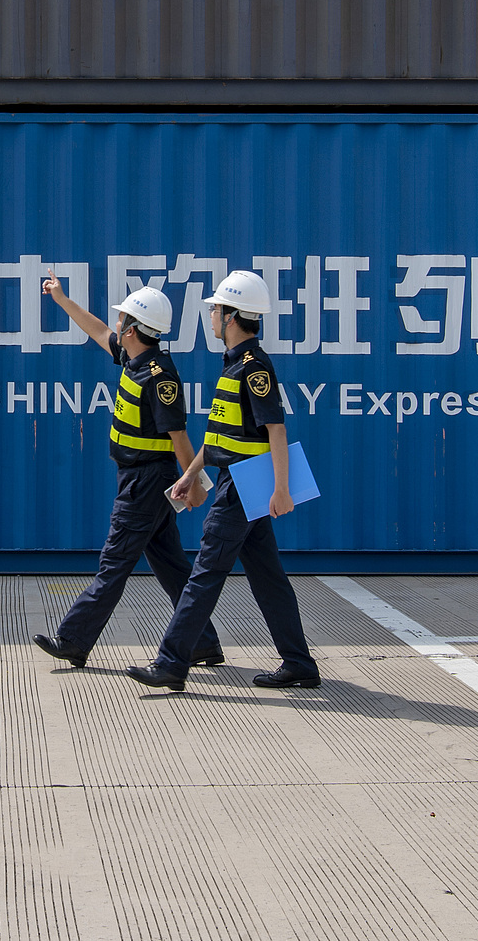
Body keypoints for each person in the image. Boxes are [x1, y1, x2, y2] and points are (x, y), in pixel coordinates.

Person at [125, 270, 320, 693]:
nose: (211, 315)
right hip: (242, 483)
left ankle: (172, 663)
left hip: (243, 488)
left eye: (215, 309)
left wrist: (281, 490)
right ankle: (300, 663)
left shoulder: (253, 368)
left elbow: (277, 430)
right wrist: (190, 474)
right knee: (268, 577)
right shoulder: (234, 365)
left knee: (204, 574)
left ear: (231, 316)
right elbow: (218, 436)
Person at [31, 271, 224, 671]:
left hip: (146, 483)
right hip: (140, 480)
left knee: (114, 564)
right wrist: (62, 300)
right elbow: (99, 330)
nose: (116, 324)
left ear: (135, 329)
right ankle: (203, 643)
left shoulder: (159, 377)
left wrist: (193, 482)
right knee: (172, 566)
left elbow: (179, 437)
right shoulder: (135, 356)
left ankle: (73, 639)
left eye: (123, 320)